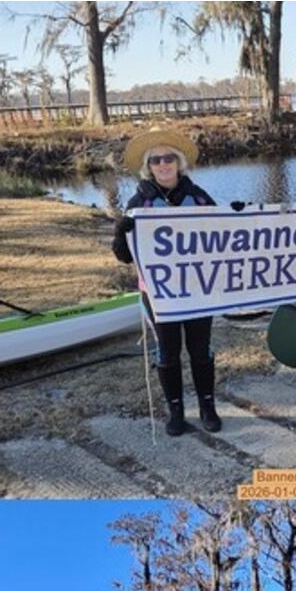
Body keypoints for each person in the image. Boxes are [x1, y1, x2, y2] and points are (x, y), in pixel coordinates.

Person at [113, 127, 222, 436]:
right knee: (167, 352)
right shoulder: (138, 202)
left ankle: (207, 406)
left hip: (198, 288)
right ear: (149, 166)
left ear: (179, 163)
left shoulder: (199, 198)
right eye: (156, 159)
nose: (163, 164)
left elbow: (225, 238)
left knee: (201, 350)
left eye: (169, 158)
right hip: (159, 294)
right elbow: (123, 256)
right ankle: (176, 411)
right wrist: (121, 231)